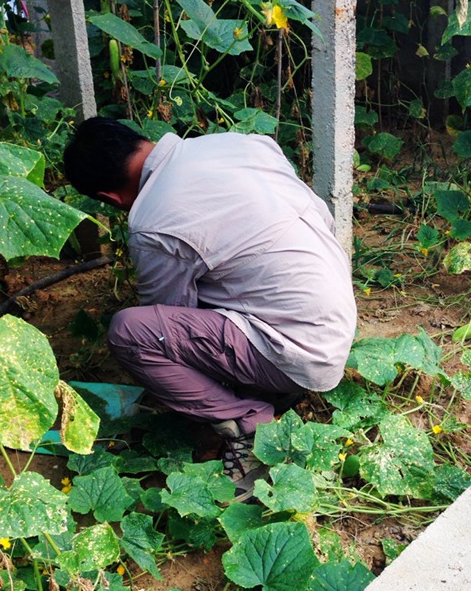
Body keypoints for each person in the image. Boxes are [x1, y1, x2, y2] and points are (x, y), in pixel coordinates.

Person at [63, 117, 357, 495]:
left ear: (110, 198)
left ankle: (245, 421)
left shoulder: (152, 219)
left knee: (129, 333)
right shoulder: (242, 143)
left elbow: (163, 319)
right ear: (140, 141)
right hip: (334, 317)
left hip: (298, 354)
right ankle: (269, 386)